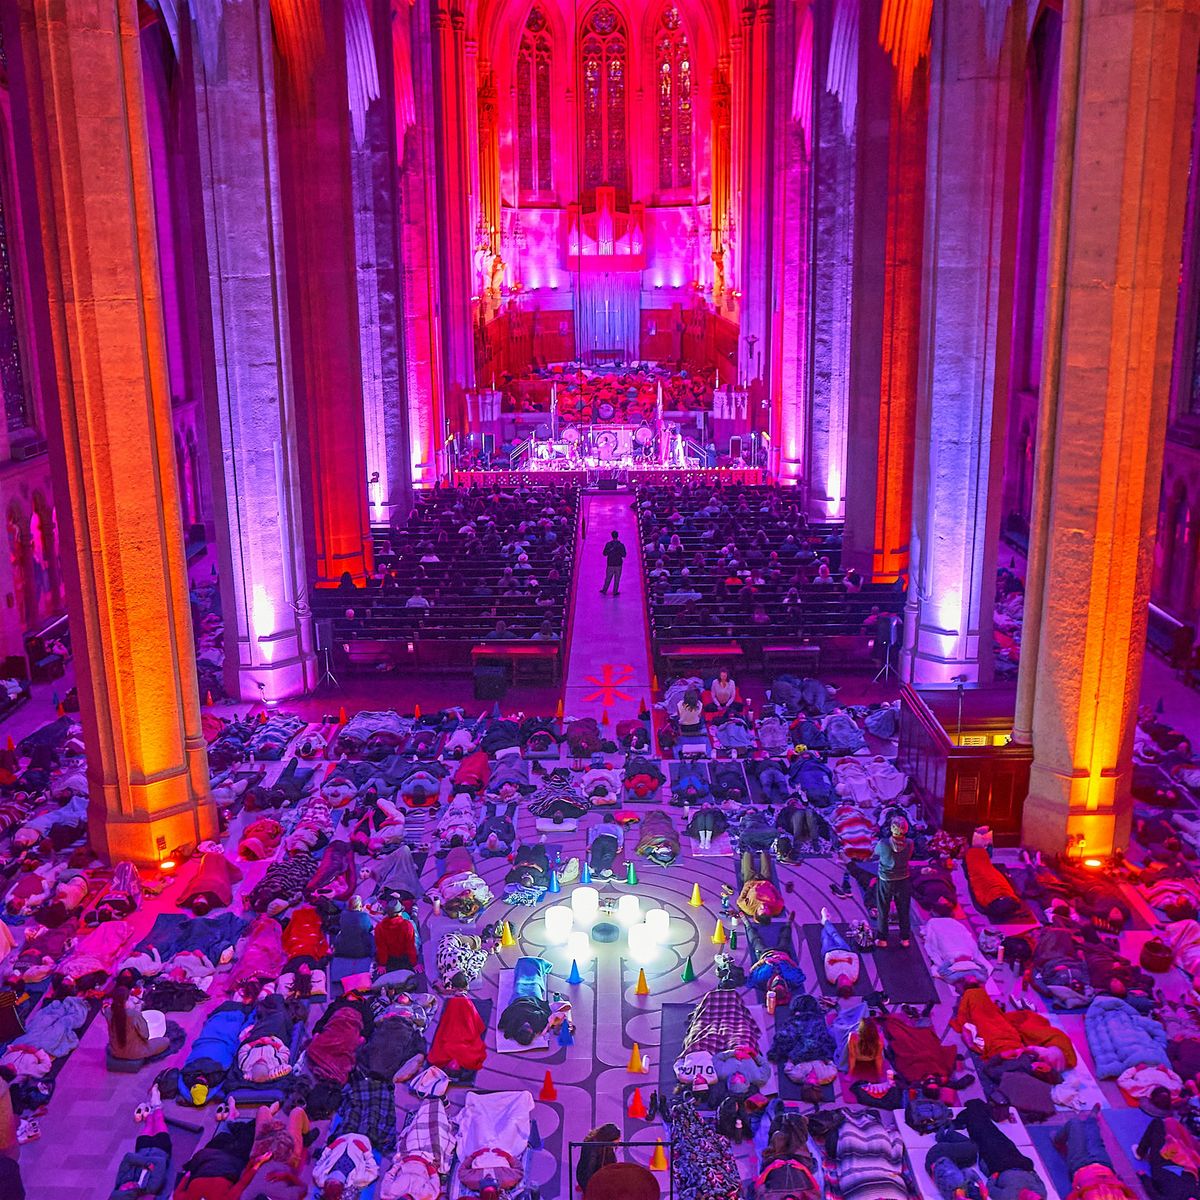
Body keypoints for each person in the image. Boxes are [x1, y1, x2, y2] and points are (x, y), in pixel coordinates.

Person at [873, 816, 913, 947]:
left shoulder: (883, 843)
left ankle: (883, 939)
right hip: (903, 879)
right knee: (904, 909)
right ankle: (905, 938)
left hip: (886, 879)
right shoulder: (910, 843)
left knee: (883, 909)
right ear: (906, 830)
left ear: (892, 828)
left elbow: (875, 853)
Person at [105, 986, 172, 1062]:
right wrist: (136, 1011)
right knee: (166, 1041)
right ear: (125, 1001)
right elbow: (145, 1035)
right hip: (136, 1052)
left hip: (115, 1051)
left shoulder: (107, 1012)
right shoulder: (134, 1015)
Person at [576, 1124, 621, 1194]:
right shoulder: (592, 1147)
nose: (619, 1142)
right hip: (590, 1183)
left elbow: (611, 1165)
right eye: (616, 1140)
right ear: (609, 1139)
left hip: (600, 1181)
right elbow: (588, 1171)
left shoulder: (607, 1147)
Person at [600, 531, 627, 597]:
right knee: (617, 579)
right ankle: (615, 591)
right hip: (618, 564)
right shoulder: (621, 545)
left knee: (608, 578)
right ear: (617, 536)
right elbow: (624, 555)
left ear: (612, 536)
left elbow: (604, 553)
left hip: (610, 564)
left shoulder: (608, 544)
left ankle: (604, 590)